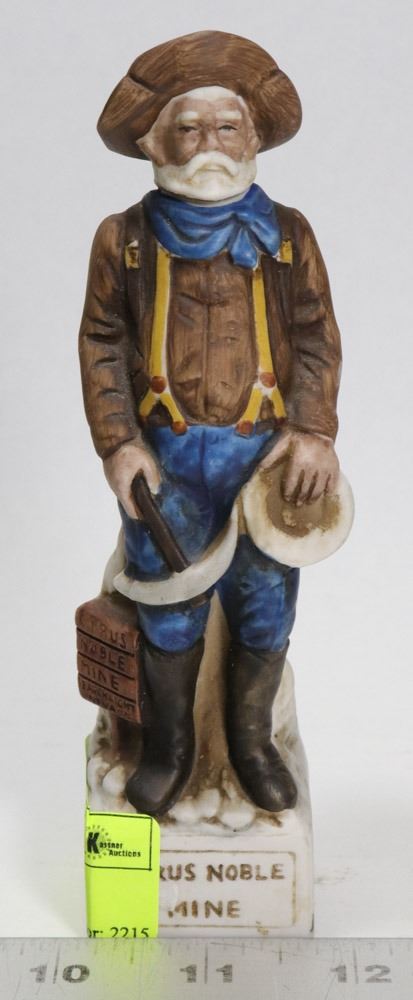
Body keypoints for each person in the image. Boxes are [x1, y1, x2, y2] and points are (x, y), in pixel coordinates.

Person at [79, 31, 342, 816]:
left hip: (264, 458)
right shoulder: (123, 239)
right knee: (166, 603)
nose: (208, 146)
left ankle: (252, 742)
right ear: (151, 141)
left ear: (253, 139)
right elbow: (101, 342)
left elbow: (315, 336)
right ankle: (169, 750)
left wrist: (314, 431)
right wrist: (118, 443)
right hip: (166, 459)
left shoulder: (287, 235)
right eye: (187, 128)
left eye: (227, 127)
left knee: (265, 600)